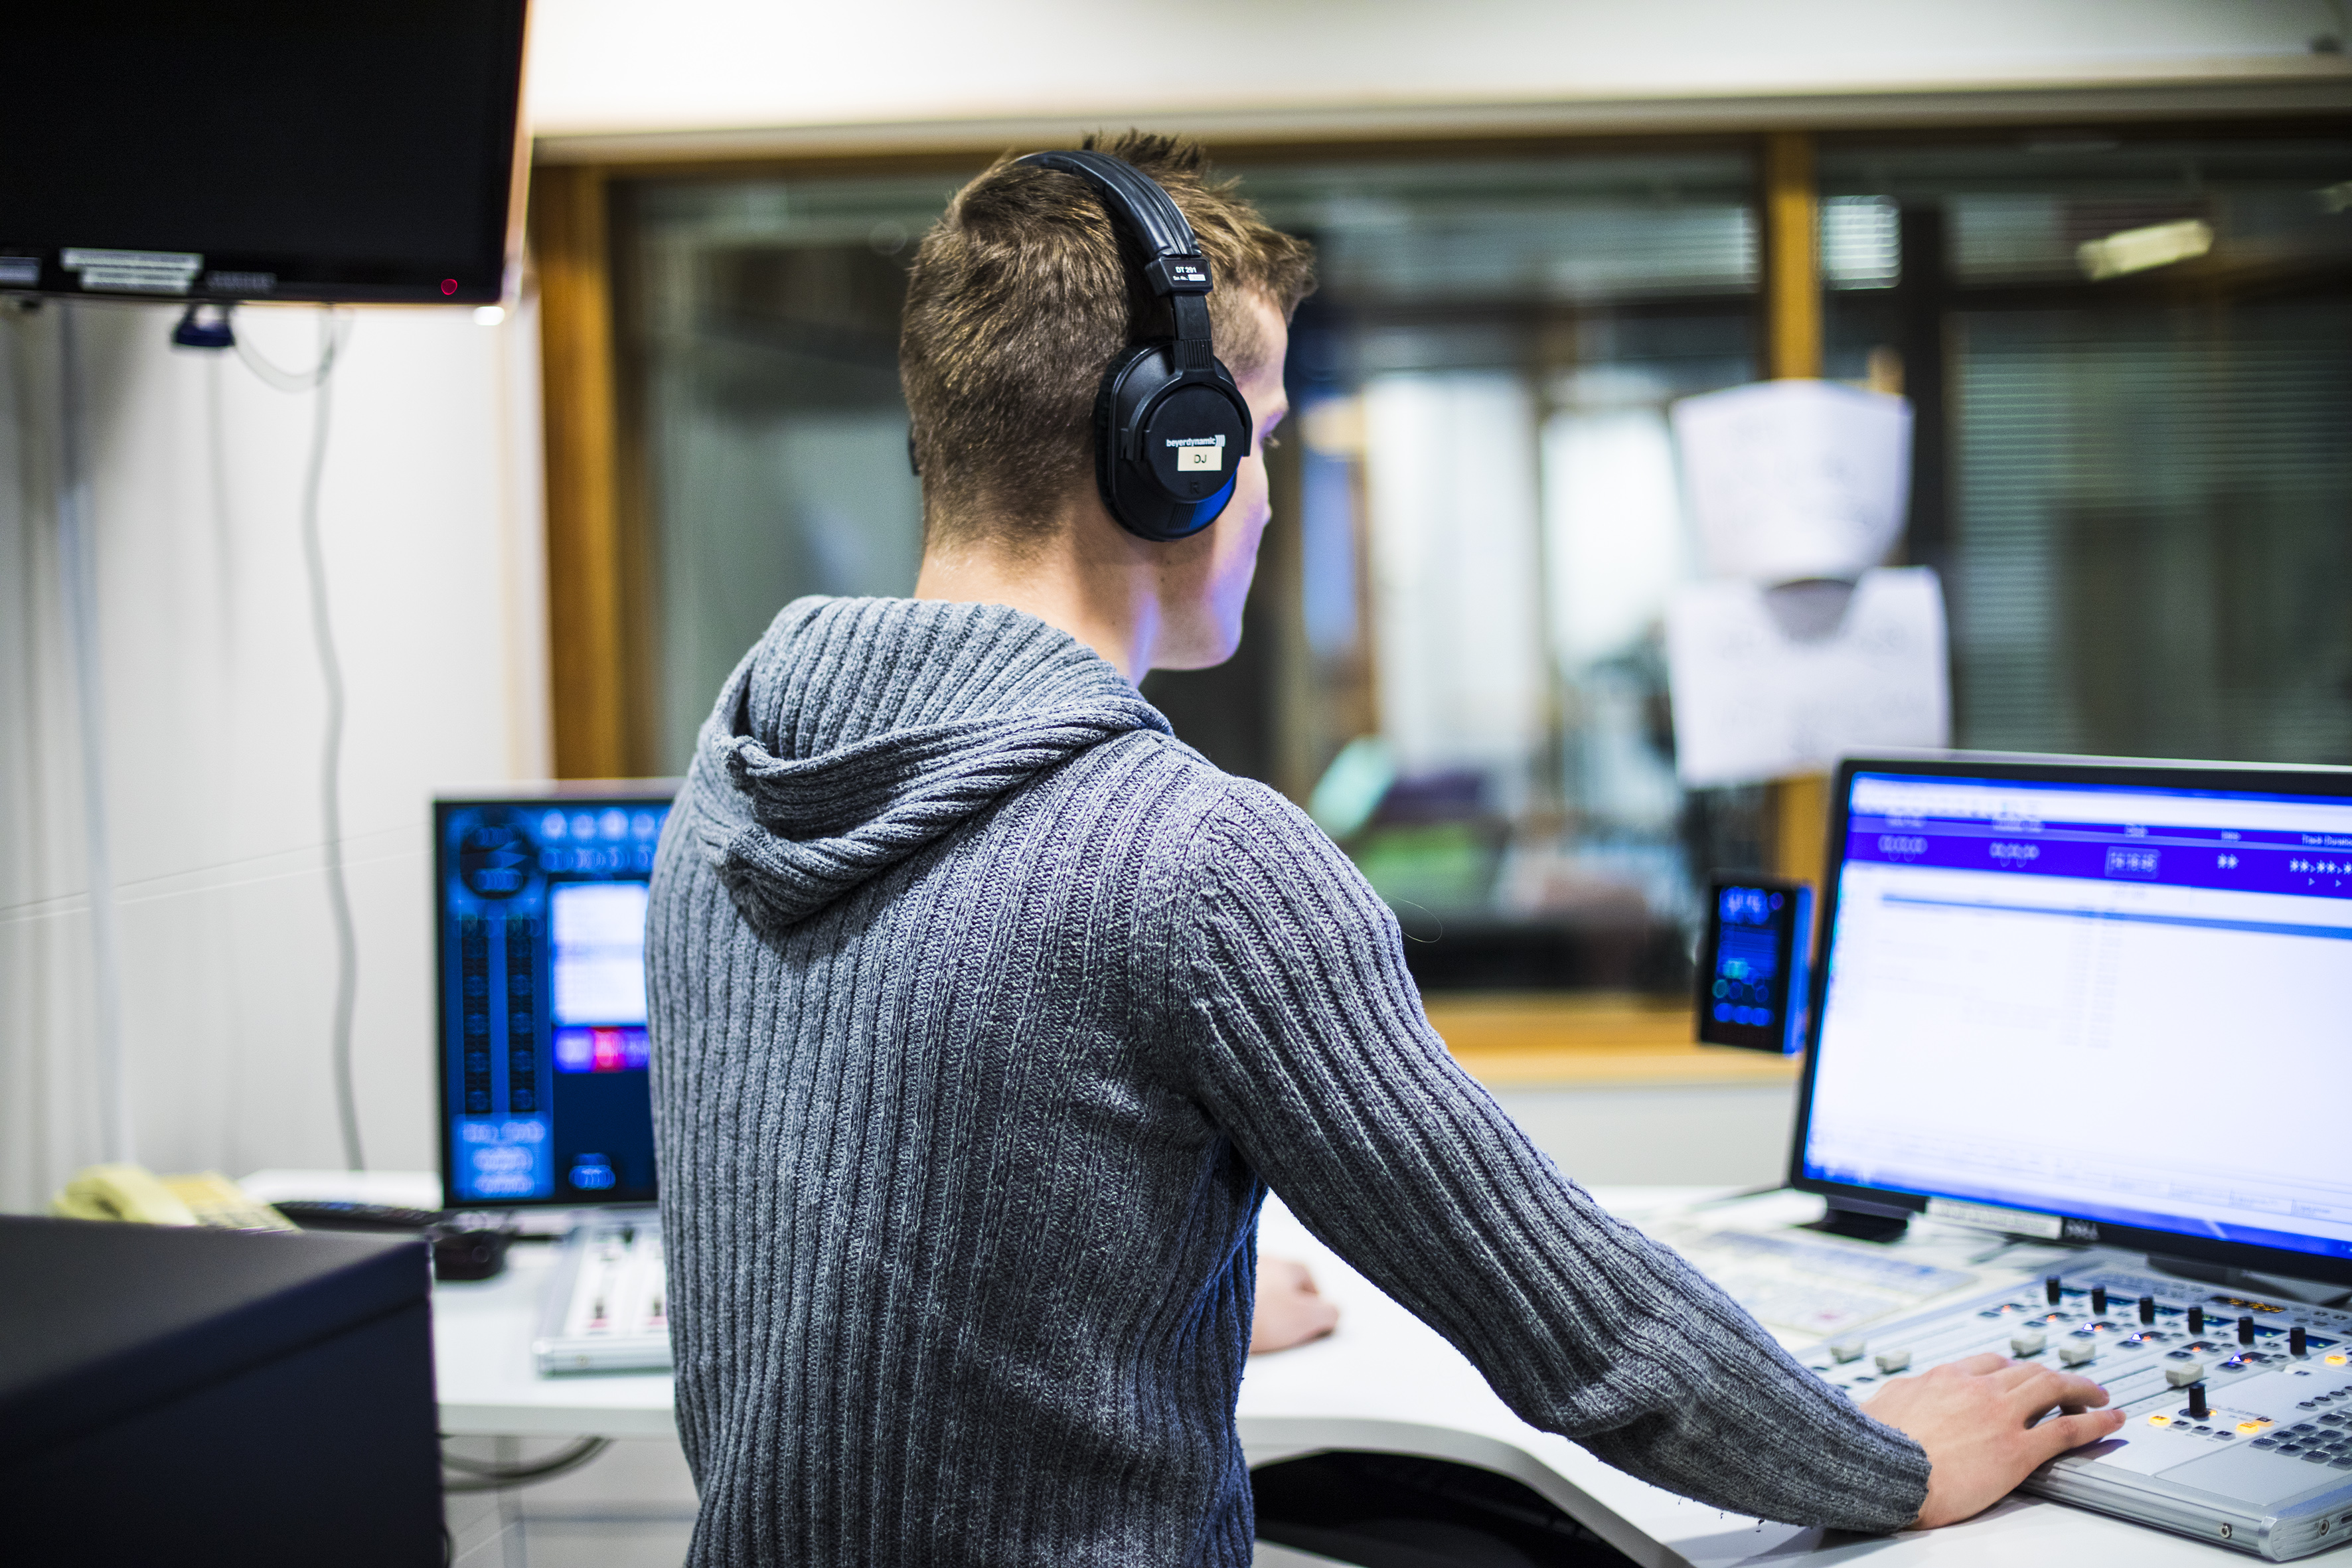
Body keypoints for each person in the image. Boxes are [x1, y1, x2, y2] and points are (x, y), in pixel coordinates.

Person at [645, 130, 2122, 1568]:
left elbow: (866, 1274)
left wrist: (1148, 1308)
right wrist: (1889, 1461)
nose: (1266, 490)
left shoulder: (725, 796)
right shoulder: (1192, 861)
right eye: (1265, 436)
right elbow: (1574, 1320)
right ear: (1173, 450)